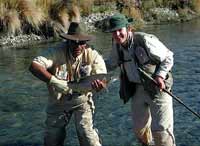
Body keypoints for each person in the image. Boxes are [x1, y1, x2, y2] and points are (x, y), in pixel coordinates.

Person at [29, 22, 107, 146]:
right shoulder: (56, 51)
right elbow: (34, 66)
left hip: (83, 101)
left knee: (88, 137)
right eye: (73, 42)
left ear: (85, 42)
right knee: (52, 140)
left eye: (81, 43)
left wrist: (100, 87)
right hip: (58, 102)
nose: (77, 46)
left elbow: (102, 78)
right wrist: (54, 81)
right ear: (67, 41)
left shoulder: (93, 55)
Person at [105, 13, 176, 146]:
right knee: (140, 131)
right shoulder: (117, 46)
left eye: (120, 30)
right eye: (114, 32)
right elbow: (110, 65)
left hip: (158, 89)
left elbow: (169, 57)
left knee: (161, 132)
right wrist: (92, 63)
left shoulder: (145, 40)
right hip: (137, 89)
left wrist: (160, 75)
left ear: (128, 28)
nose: (117, 34)